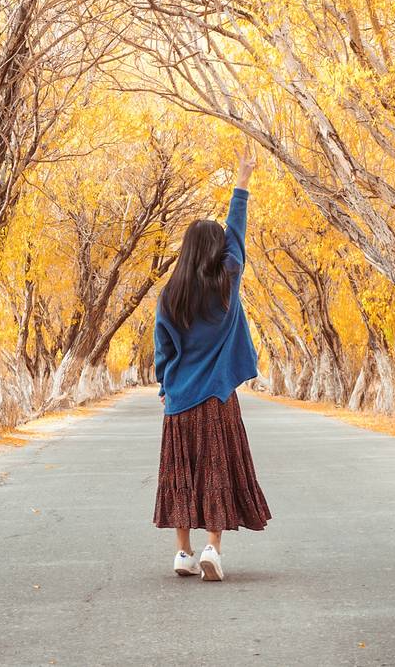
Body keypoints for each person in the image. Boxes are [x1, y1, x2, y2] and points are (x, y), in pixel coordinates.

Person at [152, 139, 272, 582]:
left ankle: (183, 553)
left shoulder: (170, 295)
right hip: (217, 399)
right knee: (215, 472)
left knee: (181, 474)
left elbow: (163, 350)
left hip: (180, 401)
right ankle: (212, 548)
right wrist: (242, 183)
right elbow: (236, 234)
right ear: (219, 252)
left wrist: (165, 384)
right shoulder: (227, 284)